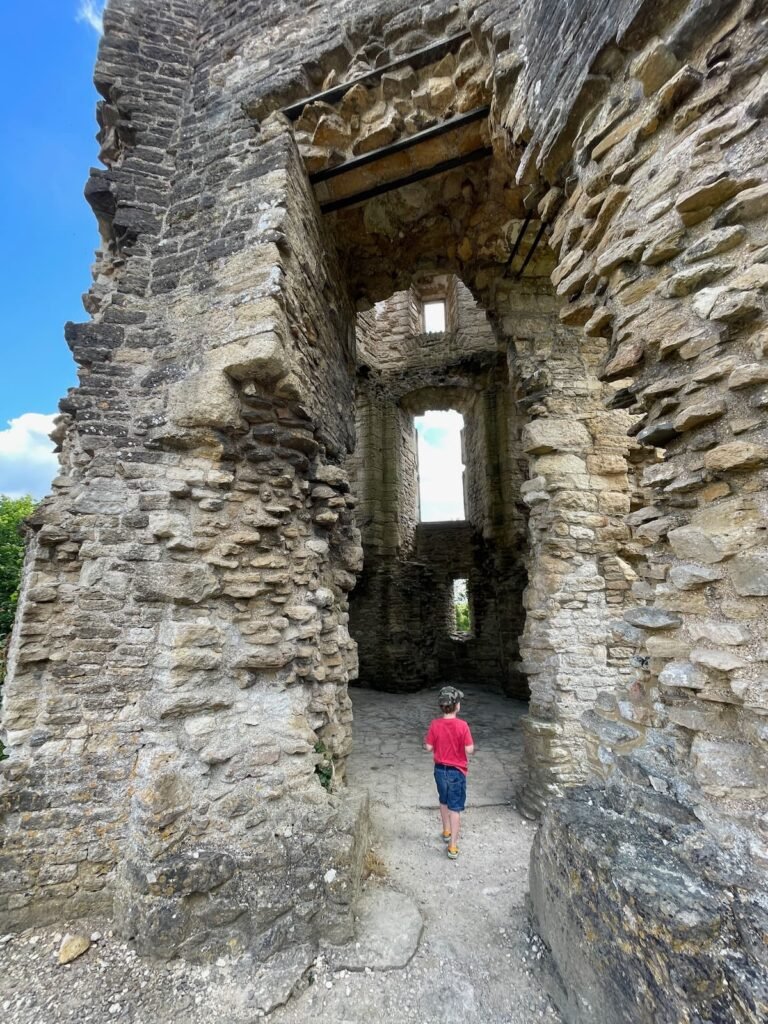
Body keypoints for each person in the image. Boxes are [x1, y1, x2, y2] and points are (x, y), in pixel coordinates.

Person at [424, 685, 474, 860]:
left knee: (443, 801)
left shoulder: (435, 725)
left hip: (439, 770)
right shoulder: (463, 726)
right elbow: (469, 749)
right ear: (457, 705)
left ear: (441, 706)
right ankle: (452, 845)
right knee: (455, 808)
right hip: (456, 772)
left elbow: (428, 747)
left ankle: (445, 830)